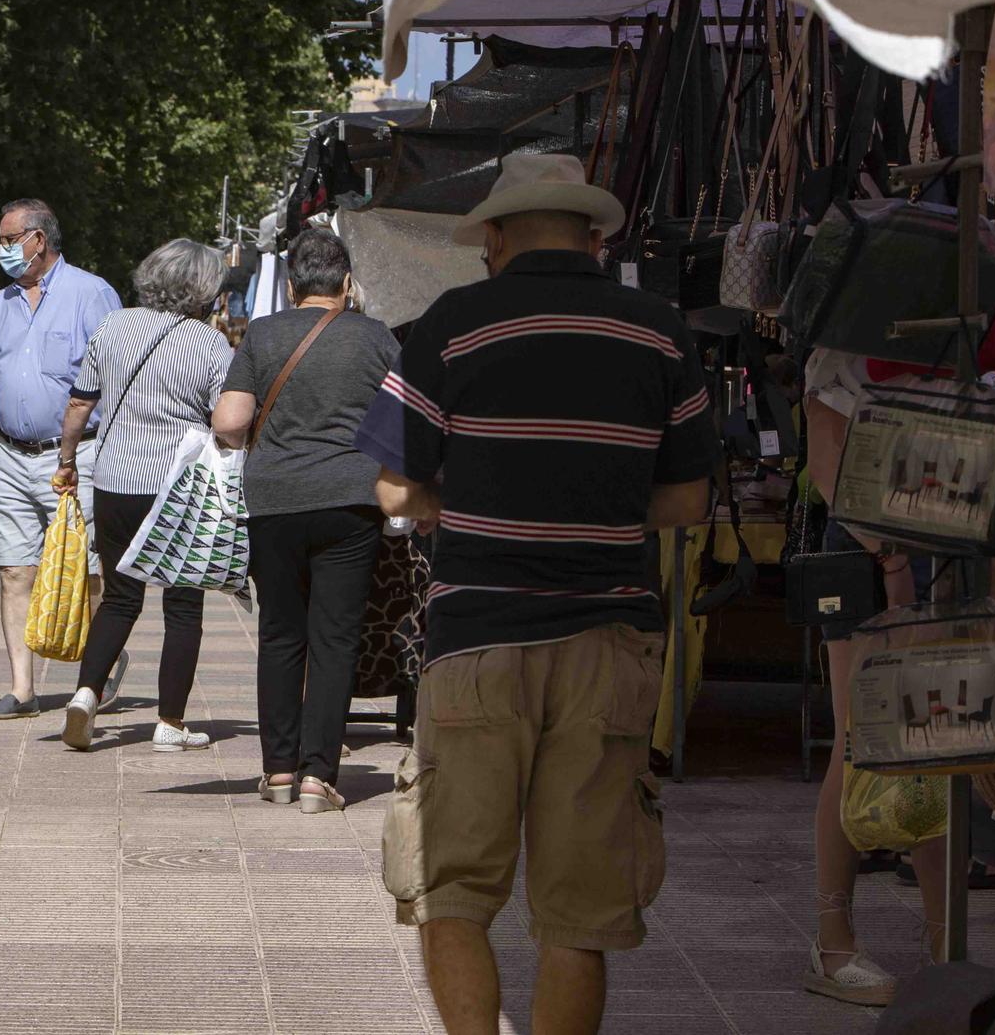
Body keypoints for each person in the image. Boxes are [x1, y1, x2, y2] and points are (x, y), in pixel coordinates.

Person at [355, 154, 717, 1035]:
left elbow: (396, 492)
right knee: (579, 908)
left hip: (478, 641)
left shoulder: (453, 324)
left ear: (498, 233)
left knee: (453, 889)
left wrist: (464, 501)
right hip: (608, 644)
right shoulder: (660, 330)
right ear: (594, 237)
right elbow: (686, 500)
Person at [212, 227, 401, 813]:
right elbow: (406, 423)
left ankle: (276, 772)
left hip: (274, 502)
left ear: (292, 284)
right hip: (351, 501)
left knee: (280, 635)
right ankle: (319, 778)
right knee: (336, 639)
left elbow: (228, 422)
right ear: (346, 282)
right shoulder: (378, 339)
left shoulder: (264, 335)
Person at [800, 348, 947, 1004]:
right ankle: (834, 940)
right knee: (863, 738)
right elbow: (829, 468)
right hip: (870, 557)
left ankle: (948, 941)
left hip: (942, 552)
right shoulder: (849, 330)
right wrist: (891, 562)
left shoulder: (968, 309)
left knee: (941, 745)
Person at [53, 239, 232, 752]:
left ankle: (87, 695)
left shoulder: (113, 326)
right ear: (204, 290)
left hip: (114, 480)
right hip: (177, 487)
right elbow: (227, 419)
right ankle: (170, 722)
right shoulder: (210, 345)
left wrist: (67, 463)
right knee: (182, 605)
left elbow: (79, 405)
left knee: (120, 597)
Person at [0, 199, 122, 718]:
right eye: (0, 241)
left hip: (77, 457)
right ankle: (23, 689)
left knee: (87, 571)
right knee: (14, 571)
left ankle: (92, 680)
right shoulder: (0, 305)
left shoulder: (92, 294)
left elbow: (115, 382)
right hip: (9, 454)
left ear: (39, 239)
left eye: (10, 240)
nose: (4, 250)